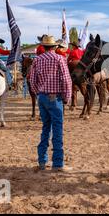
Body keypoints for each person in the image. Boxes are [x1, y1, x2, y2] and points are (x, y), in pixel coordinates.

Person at [29, 35, 72, 172]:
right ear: (54, 47)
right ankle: (58, 164)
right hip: (55, 97)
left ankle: (42, 161)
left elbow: (32, 80)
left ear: (43, 46)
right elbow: (66, 79)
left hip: (42, 97)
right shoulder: (60, 58)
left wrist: (38, 93)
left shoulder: (37, 60)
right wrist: (67, 97)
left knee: (45, 128)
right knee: (58, 130)